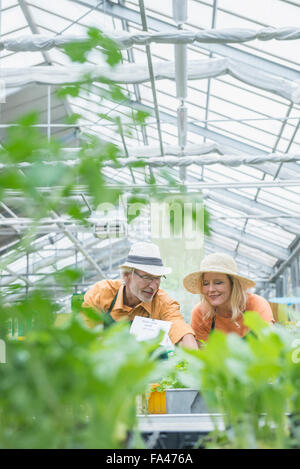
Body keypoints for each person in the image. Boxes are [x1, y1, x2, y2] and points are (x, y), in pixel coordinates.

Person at [82, 241, 198, 349]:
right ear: (127, 276)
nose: (153, 286)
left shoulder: (162, 302)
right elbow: (86, 338)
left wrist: (193, 357)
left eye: (157, 278)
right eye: (147, 277)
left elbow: (181, 332)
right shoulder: (101, 294)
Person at [183, 252, 274, 343]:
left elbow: (270, 344)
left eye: (218, 283)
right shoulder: (201, 313)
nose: (210, 289)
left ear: (232, 284)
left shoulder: (256, 304)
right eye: (205, 283)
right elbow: (201, 353)